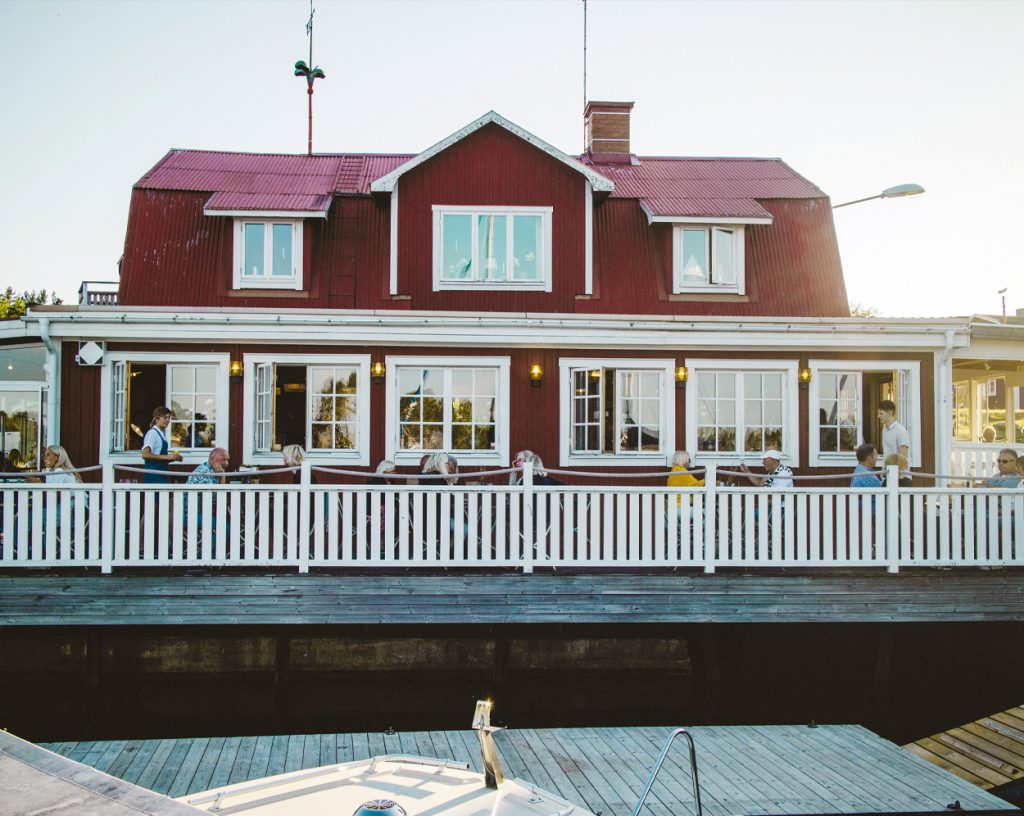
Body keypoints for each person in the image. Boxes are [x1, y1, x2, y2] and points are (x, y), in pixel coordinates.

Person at [141, 406, 182, 484]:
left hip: (162, 475)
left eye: (169, 418)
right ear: (156, 419)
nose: (167, 420)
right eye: (164, 417)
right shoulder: (152, 433)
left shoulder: (161, 434)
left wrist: (173, 458)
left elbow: (159, 459)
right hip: (153, 476)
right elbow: (145, 454)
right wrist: (166, 456)